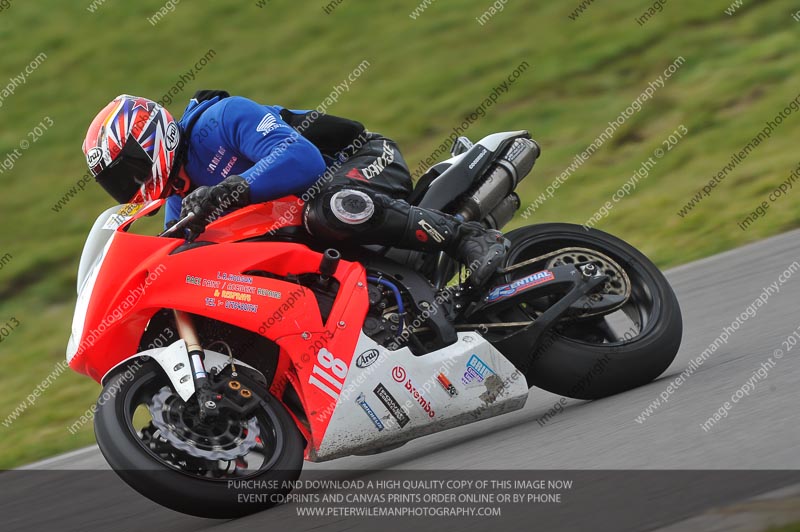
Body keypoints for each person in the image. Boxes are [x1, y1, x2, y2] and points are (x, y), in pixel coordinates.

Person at [82, 92, 508, 286]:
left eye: (131, 169)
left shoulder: (221, 118)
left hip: (357, 160)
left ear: (152, 137)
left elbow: (301, 160)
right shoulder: (180, 196)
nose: (133, 184)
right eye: (117, 182)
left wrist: (235, 187)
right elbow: (188, 258)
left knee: (332, 208)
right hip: (302, 213)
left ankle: (468, 236)